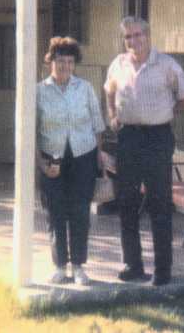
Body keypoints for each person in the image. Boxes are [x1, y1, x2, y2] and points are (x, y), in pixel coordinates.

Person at [104, 16, 184, 286]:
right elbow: (109, 91)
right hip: (128, 137)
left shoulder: (167, 65)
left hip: (157, 138)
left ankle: (162, 270)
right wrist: (112, 115)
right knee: (127, 202)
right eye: (128, 36)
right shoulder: (118, 64)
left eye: (138, 35)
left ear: (148, 35)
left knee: (159, 204)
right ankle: (132, 265)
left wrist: (167, 111)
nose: (133, 41)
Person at [36, 36, 105, 285]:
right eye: (60, 61)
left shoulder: (84, 88)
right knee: (55, 212)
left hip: (83, 156)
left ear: (74, 64)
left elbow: (97, 125)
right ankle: (59, 266)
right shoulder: (39, 91)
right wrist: (41, 164)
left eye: (70, 61)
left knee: (80, 212)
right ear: (50, 62)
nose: (65, 66)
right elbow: (31, 131)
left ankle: (78, 266)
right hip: (51, 158)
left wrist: (98, 156)